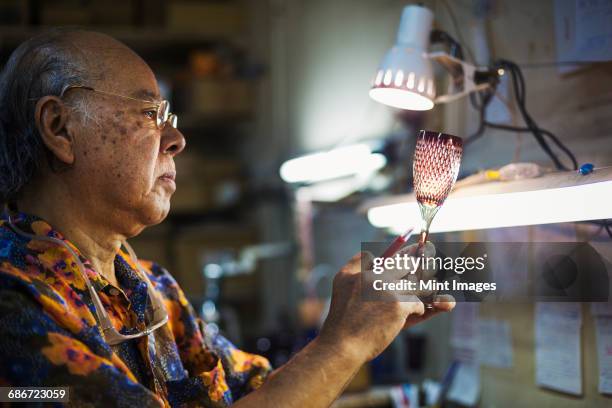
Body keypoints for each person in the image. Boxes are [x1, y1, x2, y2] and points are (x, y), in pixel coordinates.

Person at [0, 29, 454, 407]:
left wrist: (359, 327)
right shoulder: (12, 301)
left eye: (170, 116)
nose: (176, 138)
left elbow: (248, 391)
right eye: (150, 113)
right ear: (60, 128)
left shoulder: (153, 290)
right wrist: (342, 345)